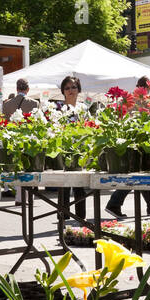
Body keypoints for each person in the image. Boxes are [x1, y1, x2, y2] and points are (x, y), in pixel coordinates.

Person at [106, 76, 150, 220]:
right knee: (136, 176)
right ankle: (114, 204)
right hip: (136, 142)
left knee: (139, 176)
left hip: (134, 141)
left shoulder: (137, 100)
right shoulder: (139, 101)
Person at [56, 76, 91, 226]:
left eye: (74, 87)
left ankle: (81, 217)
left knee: (79, 183)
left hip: (79, 149)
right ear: (63, 91)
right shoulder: (58, 108)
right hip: (63, 149)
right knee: (64, 183)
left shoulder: (83, 108)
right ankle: (63, 217)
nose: (71, 90)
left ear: (79, 90)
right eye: (67, 88)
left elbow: (90, 126)